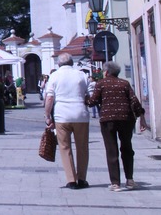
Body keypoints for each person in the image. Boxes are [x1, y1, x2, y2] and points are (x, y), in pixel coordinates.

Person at [87, 62, 148, 192]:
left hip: (107, 120)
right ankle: (130, 180)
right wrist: (141, 116)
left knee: (111, 150)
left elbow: (92, 102)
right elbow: (134, 101)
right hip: (126, 119)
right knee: (127, 148)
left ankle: (115, 183)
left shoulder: (101, 84)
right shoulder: (124, 83)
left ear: (107, 72)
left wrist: (85, 97)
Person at [44, 53, 91, 189]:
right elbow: (89, 95)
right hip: (80, 115)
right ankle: (82, 179)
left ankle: (71, 180)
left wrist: (47, 116)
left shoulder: (54, 76)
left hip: (61, 116)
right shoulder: (81, 75)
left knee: (65, 147)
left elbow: (49, 98)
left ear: (59, 64)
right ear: (72, 63)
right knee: (82, 147)